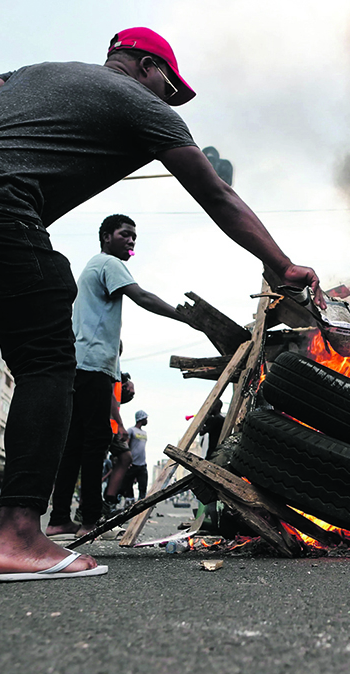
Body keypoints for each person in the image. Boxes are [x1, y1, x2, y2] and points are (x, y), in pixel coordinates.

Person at [0, 27, 323, 576]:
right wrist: (281, 263)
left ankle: (20, 532)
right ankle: (18, 538)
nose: (168, 101)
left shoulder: (30, 72)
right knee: (49, 360)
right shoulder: (142, 105)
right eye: (169, 87)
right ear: (147, 66)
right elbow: (217, 195)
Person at [47, 214, 209, 538]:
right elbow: (142, 296)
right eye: (125, 234)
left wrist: (119, 373)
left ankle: (59, 520)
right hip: (92, 369)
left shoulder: (94, 267)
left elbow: (102, 332)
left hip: (82, 366)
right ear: (107, 237)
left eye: (135, 236)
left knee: (74, 446)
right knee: (94, 445)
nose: (132, 241)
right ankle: (90, 521)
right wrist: (185, 317)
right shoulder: (109, 263)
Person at [121, 410, 150, 501]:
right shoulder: (131, 430)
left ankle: (141, 503)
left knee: (143, 485)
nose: (147, 421)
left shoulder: (144, 433)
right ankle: (129, 501)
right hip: (132, 463)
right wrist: (127, 460)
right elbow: (126, 444)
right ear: (141, 419)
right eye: (146, 418)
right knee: (128, 484)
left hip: (142, 464)